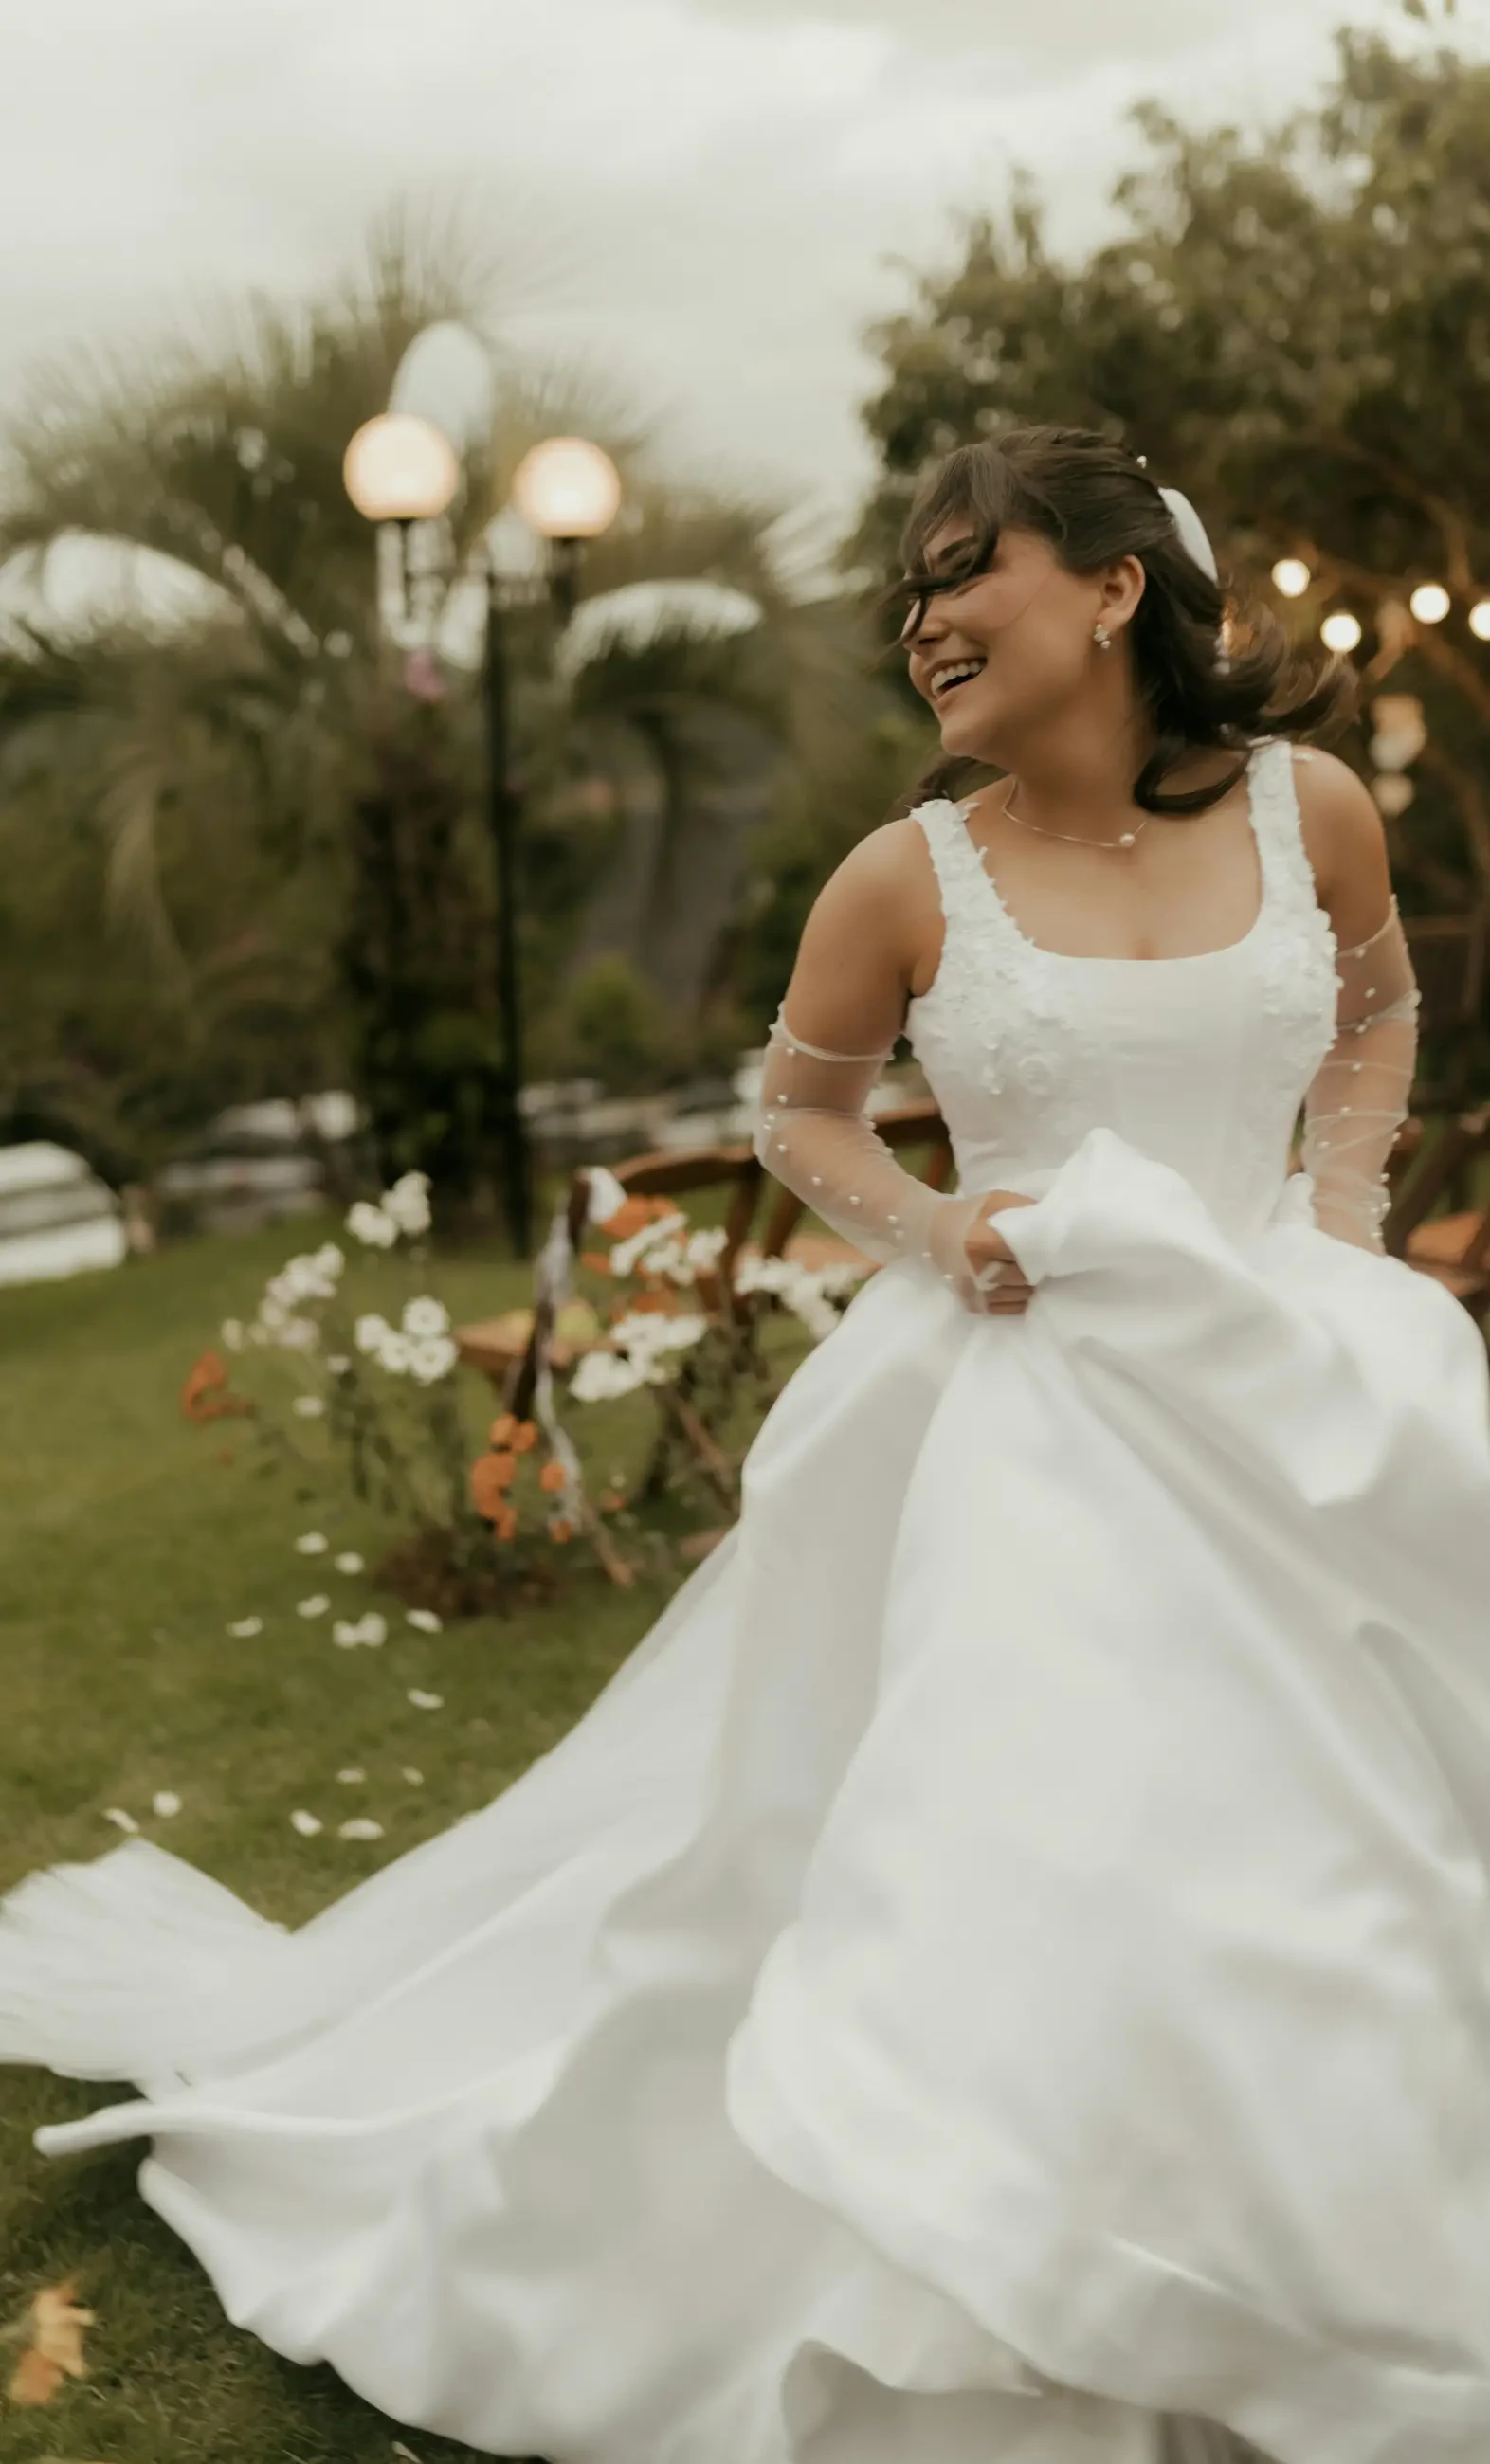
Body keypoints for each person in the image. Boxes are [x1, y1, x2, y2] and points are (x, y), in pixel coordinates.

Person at [2, 424, 1488, 2464]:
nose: (925, 622)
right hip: (1025, 1417)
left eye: (965, 571)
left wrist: (1332, 1225)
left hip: (1303, 1390)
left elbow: (1377, 1008)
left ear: (1116, 586)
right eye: (906, 595)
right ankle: (1004, 2260)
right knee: (1051, 1834)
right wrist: (937, 1224)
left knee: (1361, 1839)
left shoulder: (1312, 809)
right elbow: (801, 1118)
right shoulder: (909, 871)